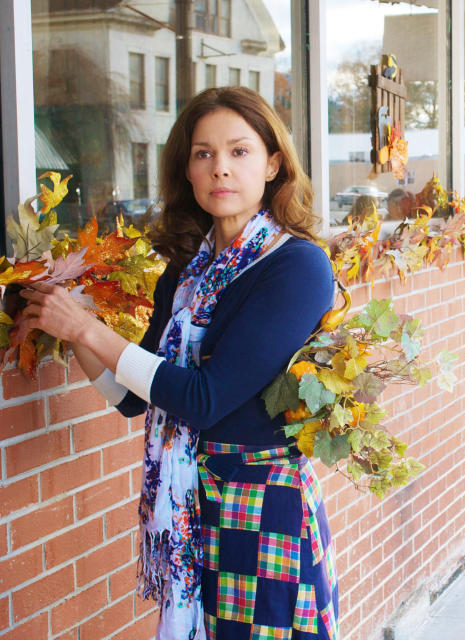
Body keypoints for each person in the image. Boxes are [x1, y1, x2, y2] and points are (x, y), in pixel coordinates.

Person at [21, 87, 339, 640]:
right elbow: (134, 398)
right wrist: (67, 332)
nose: (220, 169)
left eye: (239, 152)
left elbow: (203, 398)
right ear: (187, 171)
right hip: (192, 501)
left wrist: (86, 327)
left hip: (260, 502)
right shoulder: (189, 273)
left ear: (273, 164)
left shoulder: (297, 266)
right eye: (203, 154)